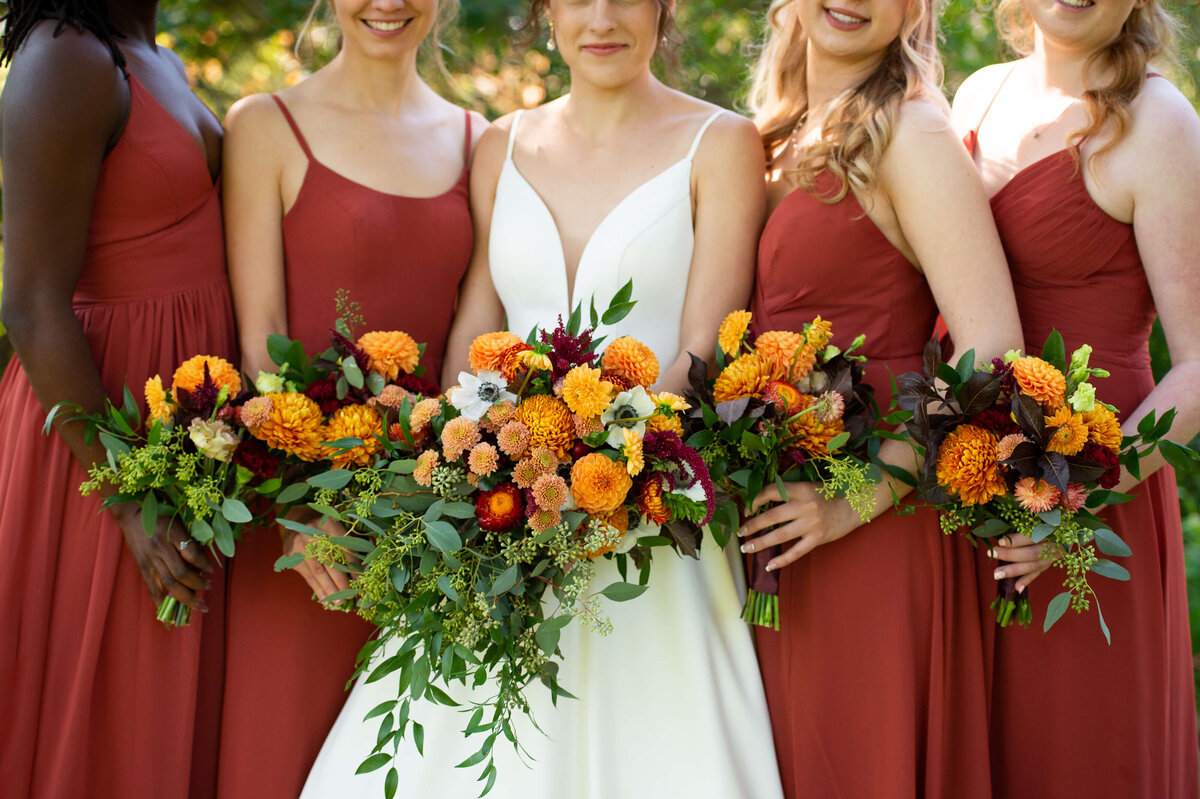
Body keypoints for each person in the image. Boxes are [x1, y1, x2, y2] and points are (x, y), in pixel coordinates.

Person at [302, 0, 784, 796]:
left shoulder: (722, 144)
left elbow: (702, 353)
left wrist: (584, 460)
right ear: (548, 11)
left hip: (649, 521)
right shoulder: (502, 144)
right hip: (499, 515)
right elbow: (473, 340)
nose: (603, 19)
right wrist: (477, 468)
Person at [735, 0, 1026, 795]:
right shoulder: (774, 135)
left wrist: (854, 500)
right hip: (785, 521)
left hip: (878, 527)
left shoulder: (908, 132)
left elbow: (991, 346)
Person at [219, 0, 484, 795]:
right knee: (278, 756)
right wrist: (305, 512)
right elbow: (260, 337)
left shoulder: (482, 141)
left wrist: (435, 503)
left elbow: (474, 350)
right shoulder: (265, 125)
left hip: (428, 529)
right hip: (303, 533)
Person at [951, 0, 1200, 793]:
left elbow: (1199, 364)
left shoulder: (1157, 122)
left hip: (1093, 506)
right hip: (966, 497)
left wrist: (1074, 504)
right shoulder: (976, 95)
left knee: (1077, 755)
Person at [0, 1, 235, 796]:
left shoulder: (147, 49)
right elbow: (31, 302)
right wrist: (130, 496)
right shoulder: (62, 57)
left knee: (151, 714)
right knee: (98, 710)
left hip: (180, 431)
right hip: (97, 442)